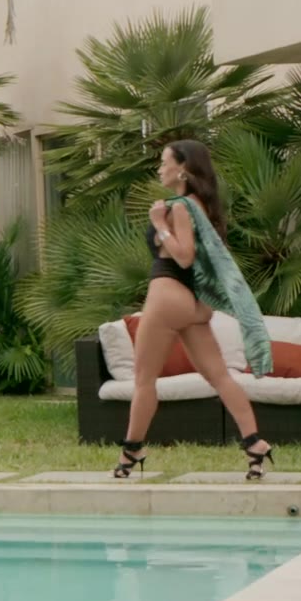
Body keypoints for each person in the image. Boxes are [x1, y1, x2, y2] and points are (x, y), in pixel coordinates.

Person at [115, 139, 274, 481]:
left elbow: (185, 257)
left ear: (183, 169)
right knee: (220, 377)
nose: (159, 168)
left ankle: (131, 451)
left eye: (164, 162)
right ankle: (254, 443)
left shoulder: (179, 208)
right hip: (194, 305)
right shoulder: (200, 206)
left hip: (167, 297)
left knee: (144, 381)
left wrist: (159, 223)